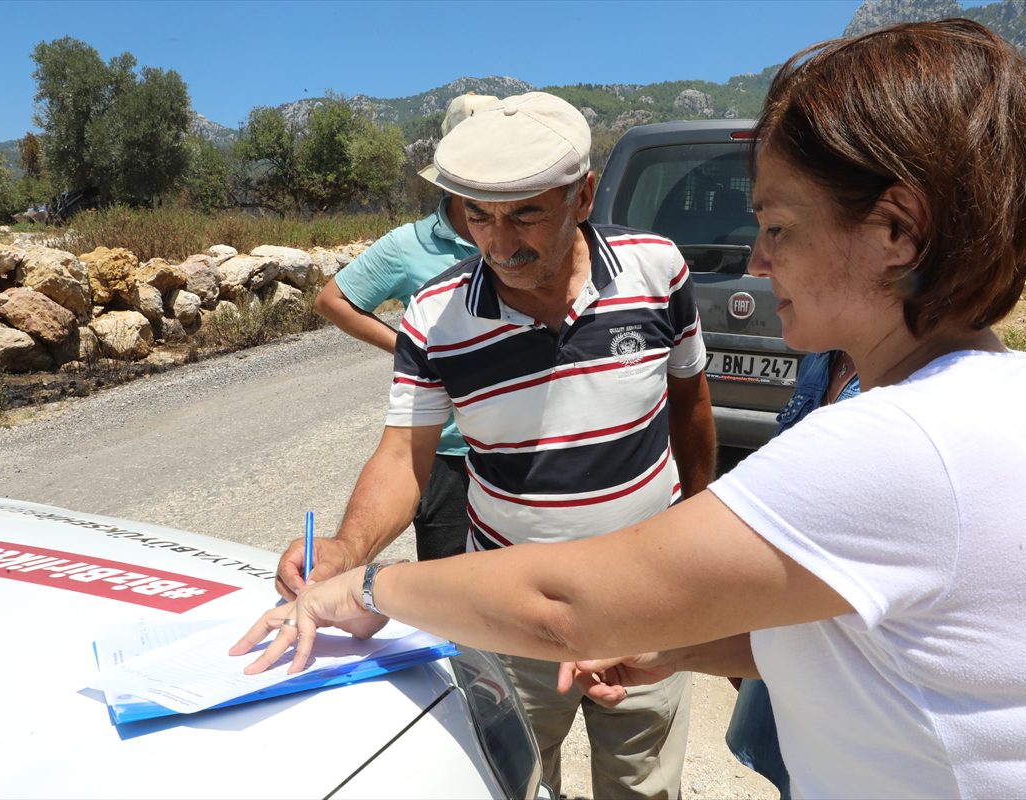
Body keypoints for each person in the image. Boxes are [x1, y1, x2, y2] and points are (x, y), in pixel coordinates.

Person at [235, 20, 1026, 799]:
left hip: (589, 607)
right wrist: (688, 644)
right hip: (563, 613)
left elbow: (563, 602)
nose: (753, 265)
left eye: (776, 227)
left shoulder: (898, 445)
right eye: (478, 216)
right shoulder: (985, 396)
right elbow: (870, 644)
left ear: (896, 232)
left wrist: (366, 587)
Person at [272, 91, 717, 799]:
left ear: (584, 196)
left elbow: (689, 401)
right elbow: (403, 458)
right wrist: (347, 551)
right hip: (508, 612)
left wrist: (701, 543)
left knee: (643, 787)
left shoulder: (657, 270)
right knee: (511, 780)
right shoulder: (434, 317)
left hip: (645, 601)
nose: (500, 243)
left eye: (525, 214)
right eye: (478, 215)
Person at [306, 93, 499, 571]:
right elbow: (334, 301)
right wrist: (405, 346)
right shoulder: (408, 245)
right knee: (451, 592)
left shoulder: (525, 236)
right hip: (446, 452)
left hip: (517, 445)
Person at [728, 349, 859, 799]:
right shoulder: (824, 359)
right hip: (794, 622)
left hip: (843, 639)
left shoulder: (904, 388)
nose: (759, 274)